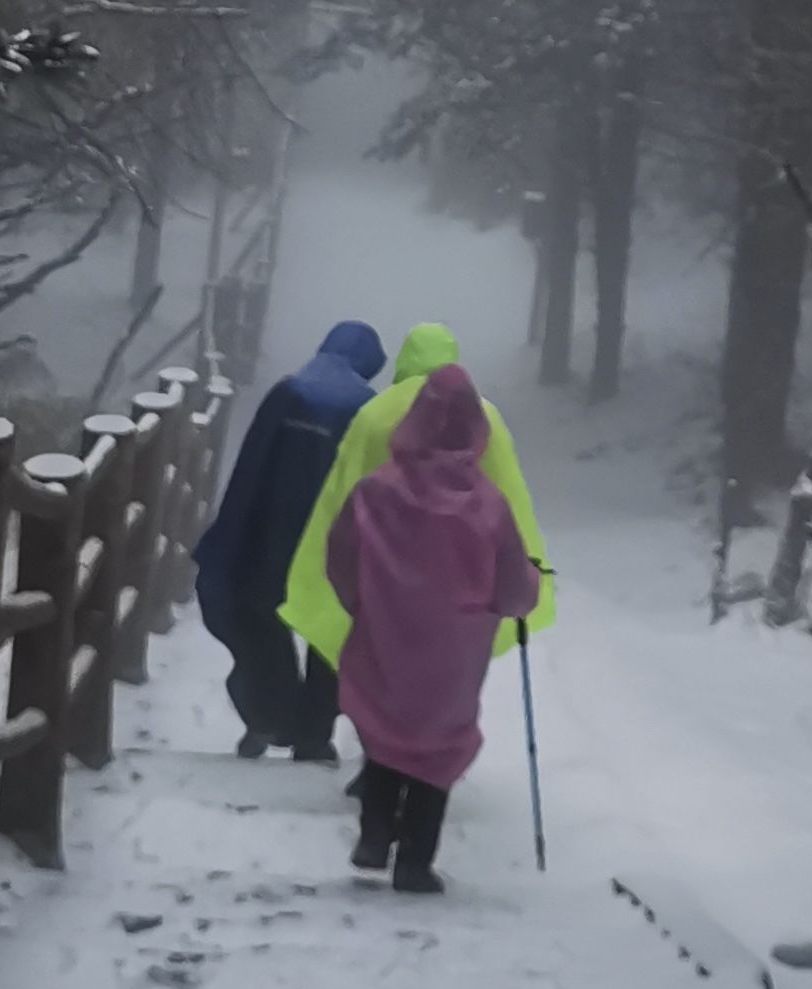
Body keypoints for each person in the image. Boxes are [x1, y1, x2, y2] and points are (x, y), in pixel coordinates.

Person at [281, 320, 554, 800]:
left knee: (380, 673)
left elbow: (344, 488)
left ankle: (377, 776)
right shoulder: (482, 417)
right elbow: (507, 498)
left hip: (383, 568)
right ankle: (424, 792)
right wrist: (523, 573)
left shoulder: (374, 414)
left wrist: (341, 569)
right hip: (459, 584)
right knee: (442, 684)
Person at [325, 363, 540, 893]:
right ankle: (415, 862)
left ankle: (375, 832)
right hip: (455, 650)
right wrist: (522, 594)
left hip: (384, 632)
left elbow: (341, 557)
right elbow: (514, 586)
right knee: (437, 745)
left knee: (383, 727)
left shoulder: (376, 492)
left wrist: (363, 602)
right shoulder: (488, 505)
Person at [194, 320, 386, 761]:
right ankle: (313, 736)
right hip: (336, 541)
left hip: (270, 534)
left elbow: (252, 465)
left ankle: (266, 715)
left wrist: (234, 532)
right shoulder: (368, 407)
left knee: (261, 623)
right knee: (331, 635)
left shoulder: (289, 391)